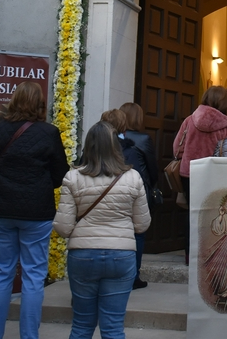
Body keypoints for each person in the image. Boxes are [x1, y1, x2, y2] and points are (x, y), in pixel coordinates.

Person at [0, 82, 69, 339]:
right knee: (33, 276)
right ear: (40, 104)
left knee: (1, 274)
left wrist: (3, 183)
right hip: (35, 212)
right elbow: (60, 175)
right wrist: (38, 185)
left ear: (14, 101)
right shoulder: (48, 133)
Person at [53, 121, 150, 339]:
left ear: (89, 146)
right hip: (121, 255)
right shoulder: (133, 177)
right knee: (113, 328)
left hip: (83, 255)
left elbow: (63, 227)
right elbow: (142, 224)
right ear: (116, 147)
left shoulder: (73, 177)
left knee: (81, 325)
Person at [173, 86, 227, 260]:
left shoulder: (190, 120)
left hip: (190, 173)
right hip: (215, 175)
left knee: (192, 213)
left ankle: (190, 255)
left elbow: (177, 147)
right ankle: (209, 256)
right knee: (215, 213)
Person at [101, 108, 153, 290]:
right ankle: (132, 276)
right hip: (123, 202)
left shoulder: (92, 148)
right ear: (123, 127)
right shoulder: (129, 150)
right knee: (137, 234)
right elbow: (139, 177)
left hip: (99, 203)